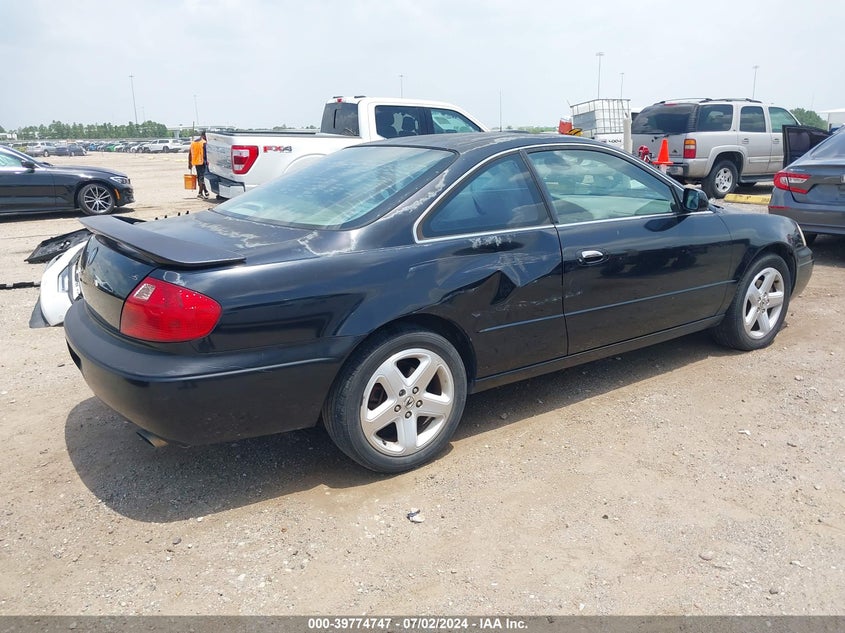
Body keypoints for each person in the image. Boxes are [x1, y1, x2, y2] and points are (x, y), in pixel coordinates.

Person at [188, 131, 209, 199]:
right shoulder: (204, 143)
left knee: (200, 177)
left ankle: (205, 191)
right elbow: (206, 154)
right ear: (204, 136)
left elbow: (190, 154)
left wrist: (190, 163)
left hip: (196, 162)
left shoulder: (193, 143)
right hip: (202, 162)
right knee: (202, 179)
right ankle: (200, 193)